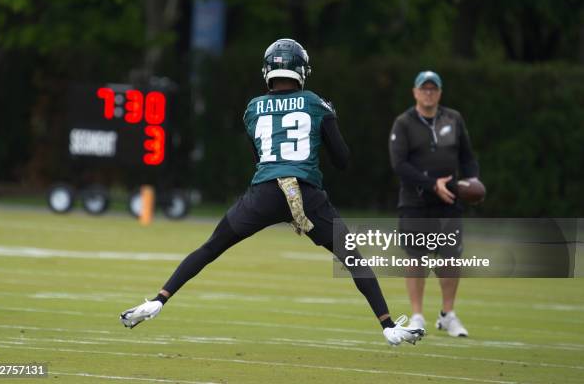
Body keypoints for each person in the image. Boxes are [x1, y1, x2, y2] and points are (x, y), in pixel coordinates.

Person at [120, 38, 424, 346]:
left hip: (265, 193)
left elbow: (260, 159)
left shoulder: (253, 108)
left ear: (268, 70)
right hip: (306, 193)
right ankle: (388, 326)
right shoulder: (316, 103)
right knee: (353, 258)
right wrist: (331, 118)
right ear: (301, 70)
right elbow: (343, 160)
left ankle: (158, 300)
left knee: (211, 247)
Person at [388, 71, 480, 337]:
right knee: (416, 258)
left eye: (433, 89)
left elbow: (468, 157)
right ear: (415, 92)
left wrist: (472, 182)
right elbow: (399, 165)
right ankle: (417, 315)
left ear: (439, 93)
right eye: (424, 89)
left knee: (451, 258)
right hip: (415, 203)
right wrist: (431, 184)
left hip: (449, 200)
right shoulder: (403, 123)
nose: (428, 93)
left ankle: (447, 314)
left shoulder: (453, 118)